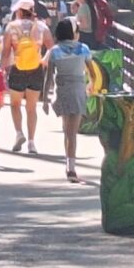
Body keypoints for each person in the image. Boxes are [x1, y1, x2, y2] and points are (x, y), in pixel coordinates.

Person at [1, 0, 54, 155]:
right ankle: (31, 142)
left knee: (15, 104)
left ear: (19, 11)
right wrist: (44, 60)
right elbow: (52, 48)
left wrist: (3, 71)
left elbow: (5, 52)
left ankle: (19, 133)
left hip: (17, 69)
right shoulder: (42, 27)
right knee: (31, 108)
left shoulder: (11, 27)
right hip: (36, 69)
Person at [44, 18, 92, 182]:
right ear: (73, 33)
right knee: (73, 131)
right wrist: (91, 85)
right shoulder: (83, 49)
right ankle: (71, 166)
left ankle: (69, 164)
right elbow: (92, 72)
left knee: (67, 130)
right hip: (78, 90)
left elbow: (48, 77)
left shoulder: (54, 51)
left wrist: (44, 99)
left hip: (63, 89)